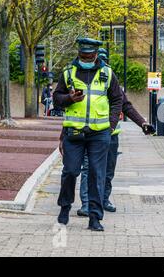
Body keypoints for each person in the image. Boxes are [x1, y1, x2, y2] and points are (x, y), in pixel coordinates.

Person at [54, 38, 123, 232]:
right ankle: (65, 207)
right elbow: (56, 99)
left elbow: (117, 99)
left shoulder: (107, 73)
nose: (86, 58)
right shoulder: (68, 73)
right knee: (71, 171)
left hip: (100, 134)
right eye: (83, 55)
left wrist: (110, 126)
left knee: (96, 174)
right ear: (79, 53)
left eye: (89, 56)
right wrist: (69, 98)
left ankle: (94, 217)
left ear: (95, 55)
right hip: (73, 133)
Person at [77, 52, 155, 217]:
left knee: (108, 171)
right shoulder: (84, 82)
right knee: (89, 168)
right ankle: (86, 204)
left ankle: (103, 199)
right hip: (91, 133)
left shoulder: (111, 83)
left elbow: (126, 106)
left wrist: (143, 123)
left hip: (111, 135)